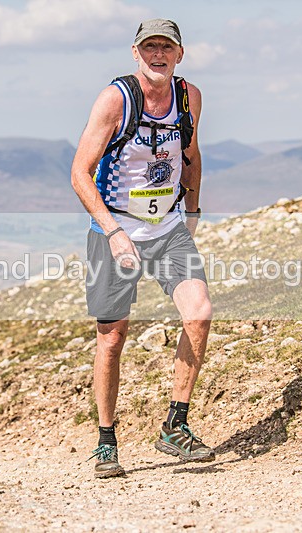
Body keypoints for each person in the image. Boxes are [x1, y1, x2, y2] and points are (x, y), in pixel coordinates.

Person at [71, 18, 214, 479]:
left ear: (179, 53)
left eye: (166, 47)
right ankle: (106, 442)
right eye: (149, 46)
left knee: (199, 312)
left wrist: (191, 212)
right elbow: (79, 172)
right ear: (136, 53)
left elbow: (189, 154)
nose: (158, 54)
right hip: (116, 230)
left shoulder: (189, 97)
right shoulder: (116, 99)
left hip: (167, 225)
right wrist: (113, 232)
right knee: (112, 337)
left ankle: (175, 425)